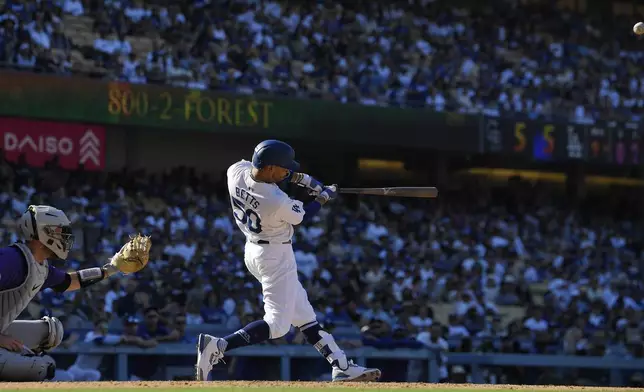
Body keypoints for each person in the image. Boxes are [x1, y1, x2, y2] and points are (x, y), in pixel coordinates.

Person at [196, 140, 381, 382]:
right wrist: (323, 197)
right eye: (283, 168)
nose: (286, 172)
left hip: (253, 250)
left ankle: (341, 365)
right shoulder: (275, 198)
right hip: (275, 256)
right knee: (278, 325)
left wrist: (301, 178)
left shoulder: (236, 172)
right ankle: (218, 346)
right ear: (271, 168)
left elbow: (261, 169)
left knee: (304, 315)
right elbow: (302, 215)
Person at [0, 205, 133, 381]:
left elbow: (70, 281)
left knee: (52, 331)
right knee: (41, 367)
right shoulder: (12, 259)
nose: (65, 236)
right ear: (41, 234)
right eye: (59, 231)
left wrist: (112, 269)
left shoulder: (39, 265)